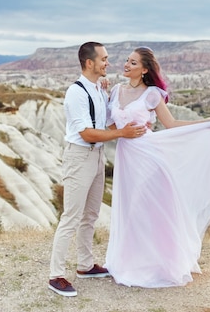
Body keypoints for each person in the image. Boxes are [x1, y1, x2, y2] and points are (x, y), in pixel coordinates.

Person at [104, 46, 210, 288]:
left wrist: (206, 123)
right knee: (129, 209)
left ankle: (161, 262)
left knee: (148, 209)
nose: (127, 65)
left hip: (149, 157)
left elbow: (171, 123)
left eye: (134, 63)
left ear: (145, 69)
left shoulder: (152, 95)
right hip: (127, 158)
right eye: (127, 60)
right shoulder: (115, 91)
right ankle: (130, 261)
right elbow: (112, 127)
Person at [48, 42, 148, 297]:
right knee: (71, 216)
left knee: (90, 214)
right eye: (103, 59)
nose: (108, 63)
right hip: (80, 156)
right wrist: (121, 133)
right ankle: (56, 275)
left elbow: (106, 120)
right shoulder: (77, 92)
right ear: (89, 63)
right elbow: (86, 132)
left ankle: (85, 265)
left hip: (97, 156)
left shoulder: (98, 90)